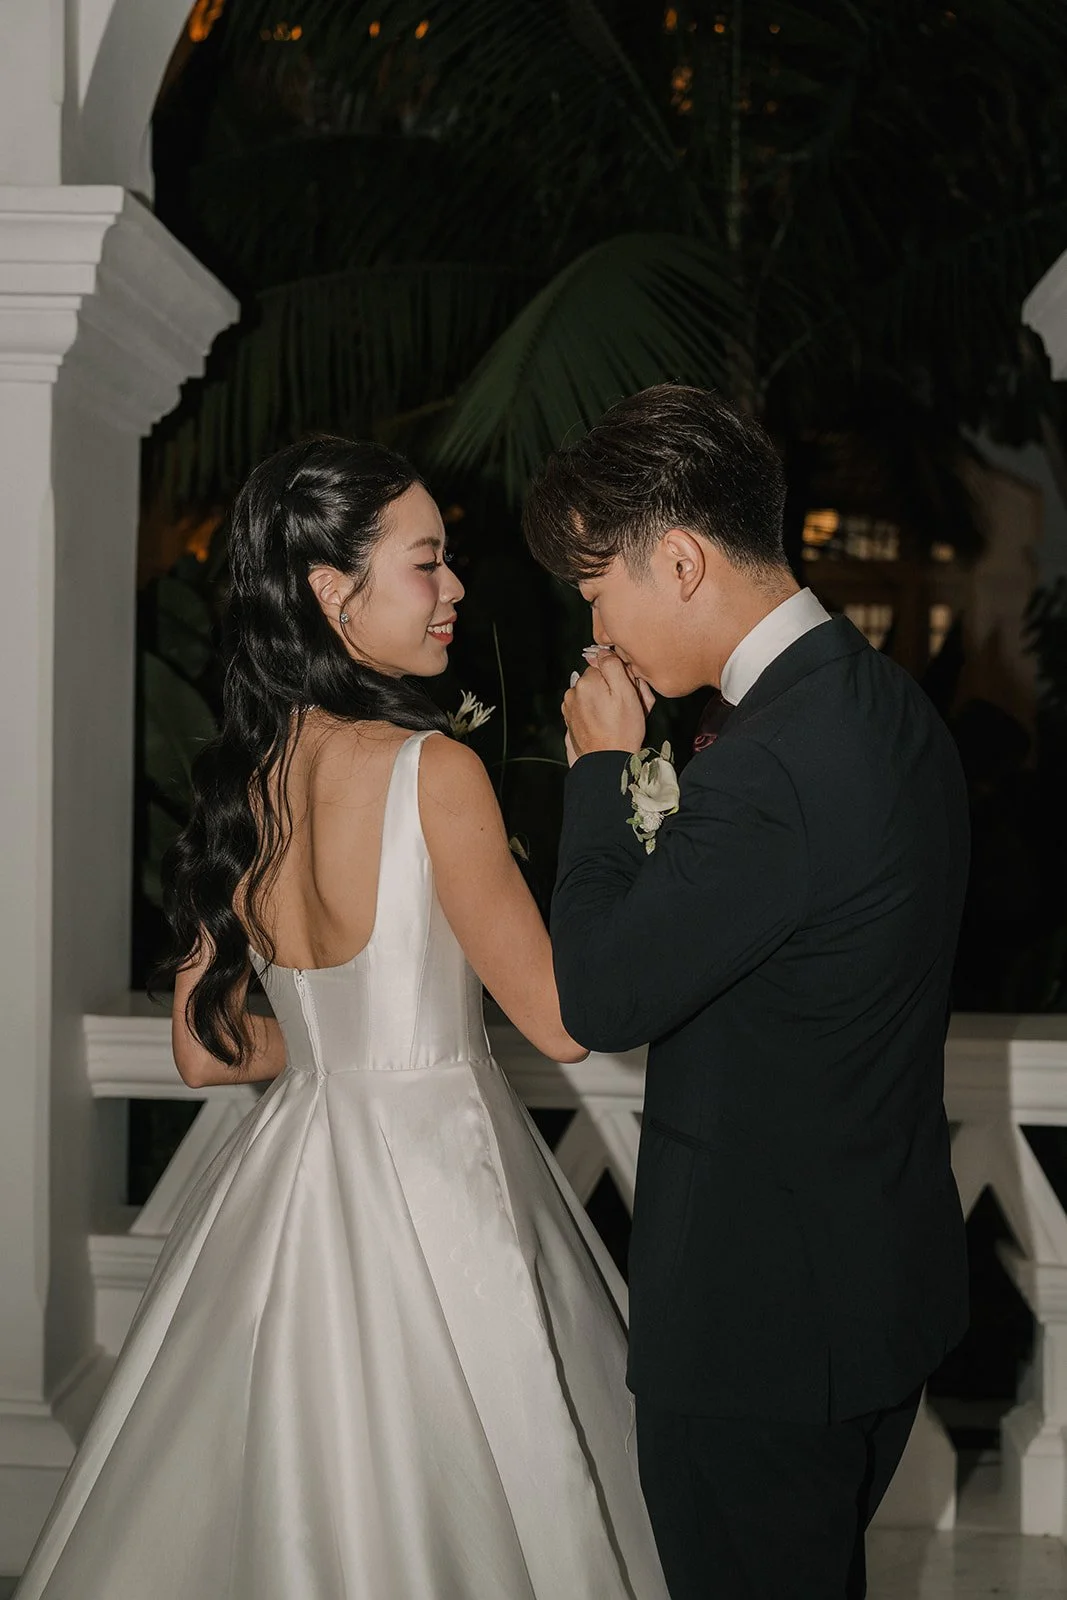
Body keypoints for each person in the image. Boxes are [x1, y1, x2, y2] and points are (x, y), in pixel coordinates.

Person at [15, 438, 667, 1599]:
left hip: (290, 1176)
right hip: (438, 1171)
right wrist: (610, 770)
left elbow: (205, 1049)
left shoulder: (246, 779)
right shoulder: (433, 770)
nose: (453, 587)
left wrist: (337, 1043)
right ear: (331, 590)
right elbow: (568, 1024)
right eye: (427, 562)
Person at [523, 384, 970, 1600]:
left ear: (676, 558)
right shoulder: (889, 710)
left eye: (595, 585)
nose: (595, 622)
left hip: (759, 1336)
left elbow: (601, 996)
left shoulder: (769, 764)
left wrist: (602, 773)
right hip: (873, 1298)